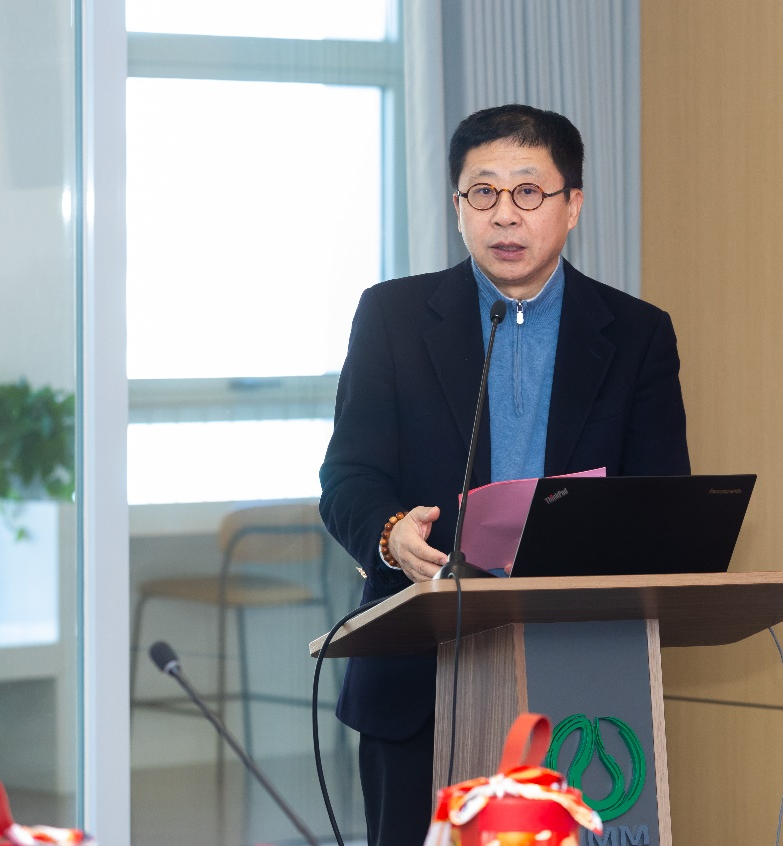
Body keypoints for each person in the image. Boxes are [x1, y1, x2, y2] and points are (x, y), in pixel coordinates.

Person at [318, 103, 690, 846]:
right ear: (458, 205)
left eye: (528, 191)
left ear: (572, 204)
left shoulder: (637, 333)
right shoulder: (392, 317)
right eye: (482, 192)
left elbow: (662, 504)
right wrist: (391, 535)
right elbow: (349, 477)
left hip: (584, 678)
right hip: (420, 678)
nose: (504, 214)